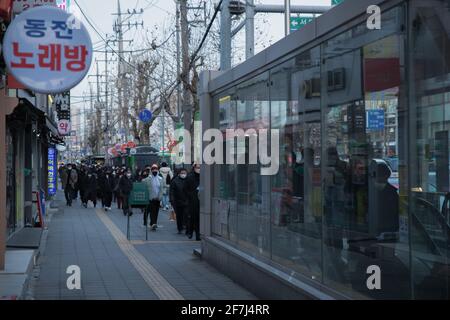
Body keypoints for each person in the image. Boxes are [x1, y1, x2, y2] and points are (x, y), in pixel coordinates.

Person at [143, 164, 164, 230]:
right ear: (151, 170)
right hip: (150, 198)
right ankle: (152, 223)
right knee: (151, 211)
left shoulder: (160, 179)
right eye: (153, 169)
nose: (155, 170)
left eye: (156, 169)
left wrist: (161, 196)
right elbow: (143, 186)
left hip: (157, 198)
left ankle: (154, 223)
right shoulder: (147, 179)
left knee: (156, 211)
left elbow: (163, 188)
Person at [170, 168, 189, 234]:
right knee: (179, 215)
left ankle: (187, 227)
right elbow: (172, 191)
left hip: (187, 201)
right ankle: (180, 228)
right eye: (182, 173)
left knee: (186, 215)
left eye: (184, 173)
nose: (183, 174)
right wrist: (172, 200)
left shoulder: (189, 180)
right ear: (179, 173)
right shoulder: (175, 181)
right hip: (177, 201)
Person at [185, 163, 200, 240]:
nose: (199, 169)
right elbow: (185, 189)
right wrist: (191, 195)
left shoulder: (203, 177)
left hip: (201, 201)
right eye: (197, 167)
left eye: (200, 167)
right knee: (194, 218)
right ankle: (191, 232)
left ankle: (197, 234)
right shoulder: (190, 177)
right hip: (192, 201)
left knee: (199, 218)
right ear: (194, 168)